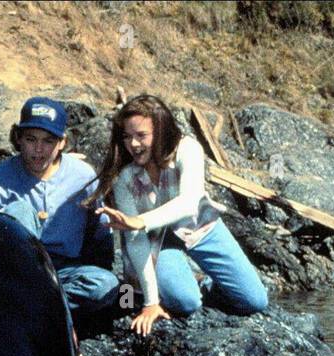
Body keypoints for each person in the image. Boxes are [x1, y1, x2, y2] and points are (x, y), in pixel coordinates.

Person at [92, 94, 269, 336]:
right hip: (155, 239)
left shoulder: (188, 148)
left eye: (141, 135)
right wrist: (151, 303)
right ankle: (159, 286)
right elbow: (134, 240)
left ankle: (203, 283)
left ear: (161, 131)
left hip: (198, 225)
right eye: (126, 137)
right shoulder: (125, 178)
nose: (133, 144)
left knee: (255, 301)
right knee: (186, 302)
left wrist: (140, 221)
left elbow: (189, 203)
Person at [0, 96, 120, 324]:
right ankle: (37, 306)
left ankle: (34, 308)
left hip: (63, 272)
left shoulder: (83, 176)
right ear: (18, 139)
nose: (38, 150)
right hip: (16, 269)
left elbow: (100, 231)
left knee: (106, 285)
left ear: (62, 142)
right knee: (19, 212)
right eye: (31, 139)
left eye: (48, 141)